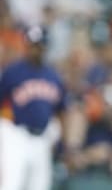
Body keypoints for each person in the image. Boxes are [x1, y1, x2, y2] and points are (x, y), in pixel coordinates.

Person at [0, 25, 69, 190]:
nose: (36, 49)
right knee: (12, 184)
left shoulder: (53, 76)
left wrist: (61, 142)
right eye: (33, 45)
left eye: (40, 45)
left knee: (39, 186)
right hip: (15, 135)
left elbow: (60, 110)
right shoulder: (13, 72)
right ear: (27, 45)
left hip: (42, 138)